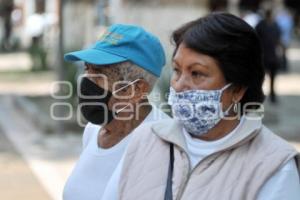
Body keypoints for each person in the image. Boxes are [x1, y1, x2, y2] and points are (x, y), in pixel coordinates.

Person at [102, 13, 300, 200]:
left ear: (237, 89)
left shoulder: (275, 166)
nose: (179, 85)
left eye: (197, 74)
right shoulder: (144, 140)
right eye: (177, 70)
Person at [63, 24, 170, 200]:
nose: (86, 81)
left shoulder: (163, 142)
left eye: (99, 73)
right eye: (87, 69)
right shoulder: (93, 130)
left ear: (136, 89)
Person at [256, 10, 281, 103]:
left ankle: (272, 95)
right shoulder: (261, 26)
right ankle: (260, 94)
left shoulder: (275, 26)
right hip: (264, 55)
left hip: (271, 56)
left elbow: (278, 40)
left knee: (272, 77)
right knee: (261, 77)